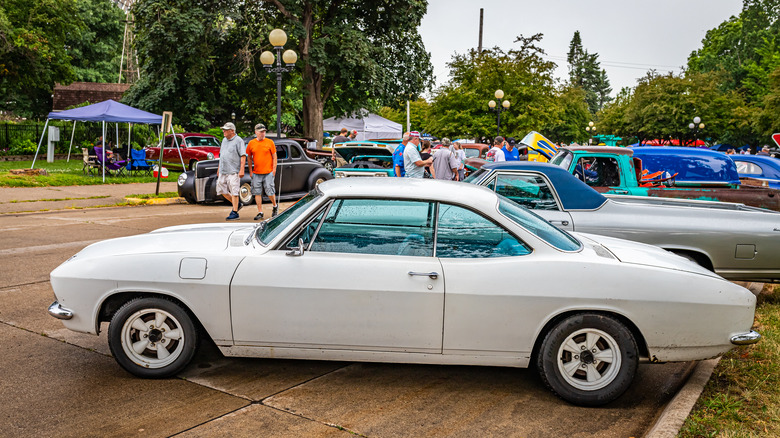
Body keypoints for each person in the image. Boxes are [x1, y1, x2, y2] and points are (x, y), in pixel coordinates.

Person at [245, 123, 278, 220]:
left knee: (270, 191)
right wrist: (251, 171)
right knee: (257, 192)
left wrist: (274, 169)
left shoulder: (270, 142)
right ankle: (260, 212)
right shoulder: (251, 143)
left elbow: (274, 156)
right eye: (261, 132)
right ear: (256, 132)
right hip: (256, 172)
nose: (263, 133)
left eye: (264, 132)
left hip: (268, 172)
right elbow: (249, 158)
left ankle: (275, 206)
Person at [216, 122, 246, 220]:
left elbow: (243, 156)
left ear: (232, 131)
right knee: (221, 190)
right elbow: (222, 156)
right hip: (223, 170)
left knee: (234, 191)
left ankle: (235, 212)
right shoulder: (224, 140)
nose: (223, 131)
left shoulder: (239, 141)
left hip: (234, 171)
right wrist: (218, 168)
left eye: (225, 130)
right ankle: (237, 204)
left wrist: (241, 170)